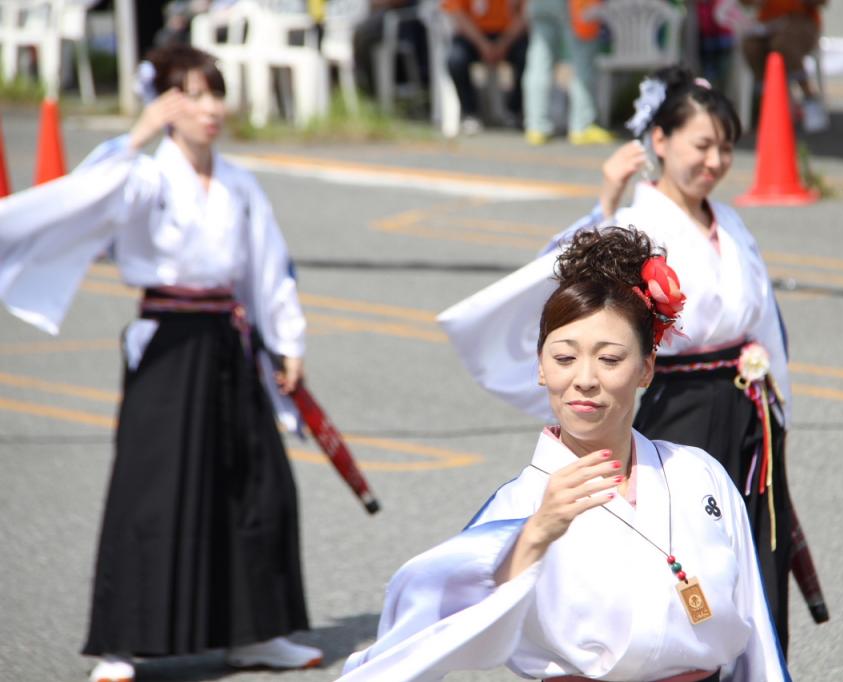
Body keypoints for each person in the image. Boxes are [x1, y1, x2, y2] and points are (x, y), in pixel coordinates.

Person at [437, 66, 828, 655]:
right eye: (702, 145)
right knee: (658, 543)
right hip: (677, 404)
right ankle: (653, 653)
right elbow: (574, 292)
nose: (715, 161)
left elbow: (766, 321)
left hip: (745, 407)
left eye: (726, 148)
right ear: (660, 142)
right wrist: (606, 204)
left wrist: (779, 407)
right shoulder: (637, 223)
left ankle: (744, 656)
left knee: (743, 549)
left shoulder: (732, 224)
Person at [0, 45, 321, 682]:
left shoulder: (239, 182)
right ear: (167, 103)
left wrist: (288, 343)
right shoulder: (144, 174)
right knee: (150, 493)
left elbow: (268, 268)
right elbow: (89, 192)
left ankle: (256, 633)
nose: (209, 109)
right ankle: (123, 643)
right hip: (168, 342)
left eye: (214, 94)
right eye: (192, 95)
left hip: (228, 341)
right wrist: (137, 135)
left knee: (259, 487)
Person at [340, 227, 789, 681]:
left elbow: (756, 638)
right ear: (539, 366)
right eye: (564, 358)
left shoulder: (698, 475)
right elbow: (428, 625)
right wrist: (536, 533)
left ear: (646, 369)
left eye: (610, 359)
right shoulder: (520, 505)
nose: (585, 379)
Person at [521, 0, 613, 145]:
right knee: (584, 58)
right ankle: (582, 125)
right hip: (573, 5)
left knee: (539, 60)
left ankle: (536, 125)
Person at [739, 0, 828, 133]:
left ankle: (809, 97)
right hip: (768, 23)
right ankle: (768, 100)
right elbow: (745, 4)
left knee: (782, 44)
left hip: (802, 21)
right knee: (750, 47)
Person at [443, 0, 529, 133]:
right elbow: (457, 14)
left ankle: (515, 111)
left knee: (528, 57)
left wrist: (503, 44)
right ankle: (470, 113)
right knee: (455, 59)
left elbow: (525, 14)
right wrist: (483, 45)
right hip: (473, 35)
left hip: (508, 35)